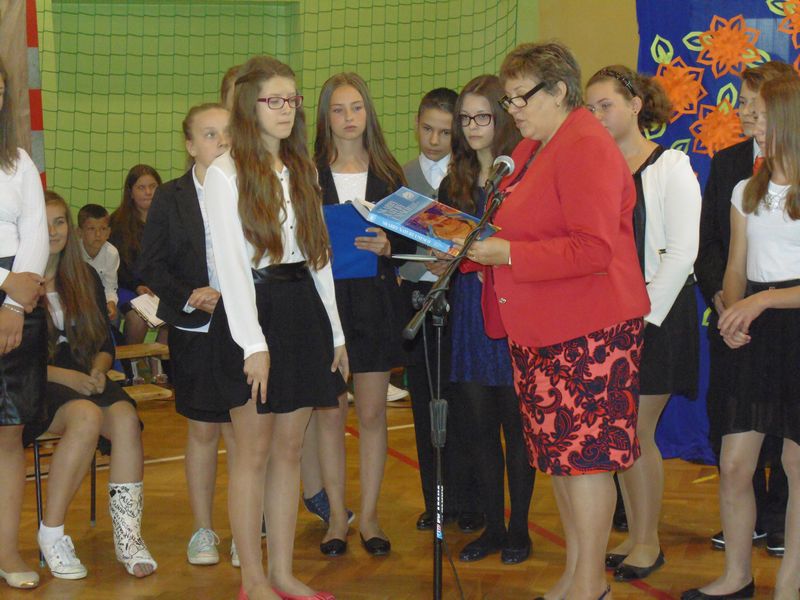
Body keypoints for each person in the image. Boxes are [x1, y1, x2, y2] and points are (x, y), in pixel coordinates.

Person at [462, 42, 649, 600]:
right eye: (509, 98)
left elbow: (593, 249)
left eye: (521, 97)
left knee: (587, 463)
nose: (512, 109)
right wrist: (461, 244)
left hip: (590, 330)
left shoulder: (586, 145)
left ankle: (591, 586)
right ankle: (575, 575)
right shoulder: (531, 149)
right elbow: (515, 226)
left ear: (560, 90)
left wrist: (508, 255)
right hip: (544, 329)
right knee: (561, 462)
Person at [204, 55, 345, 600]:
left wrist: (335, 332)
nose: (287, 109)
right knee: (254, 452)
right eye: (275, 100)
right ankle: (254, 580)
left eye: (293, 99)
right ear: (250, 106)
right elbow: (232, 268)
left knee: (290, 448)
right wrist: (253, 344)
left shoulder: (302, 167)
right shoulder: (225, 172)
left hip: (301, 308)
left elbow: (318, 255)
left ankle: (283, 573)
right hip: (252, 315)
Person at [682, 76, 800, 600]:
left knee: (796, 465)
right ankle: (737, 576)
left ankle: (789, 586)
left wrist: (761, 301)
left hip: (791, 326)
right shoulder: (743, 190)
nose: (753, 122)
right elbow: (735, 266)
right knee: (734, 463)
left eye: (763, 114)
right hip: (754, 331)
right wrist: (732, 312)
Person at [585, 65, 701, 582]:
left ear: (635, 106)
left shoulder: (670, 165)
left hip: (656, 317)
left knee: (634, 431)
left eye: (605, 105)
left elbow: (682, 252)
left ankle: (648, 542)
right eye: (590, 107)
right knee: (620, 433)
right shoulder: (596, 169)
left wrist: (643, 317)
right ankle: (635, 535)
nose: (596, 115)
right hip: (609, 318)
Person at [24, 190, 157, 580]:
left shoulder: (84, 277)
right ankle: (52, 533)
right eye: (44, 223)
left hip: (85, 375)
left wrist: (99, 369)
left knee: (126, 419)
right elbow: (16, 358)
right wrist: (68, 377)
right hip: (35, 381)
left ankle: (128, 537)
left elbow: (103, 343)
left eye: (60, 222)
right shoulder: (16, 284)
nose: (53, 231)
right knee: (85, 416)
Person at [436, 74, 535, 565]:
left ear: (503, 119)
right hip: (470, 316)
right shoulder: (452, 181)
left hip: (512, 310)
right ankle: (493, 527)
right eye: (465, 118)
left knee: (517, 429)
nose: (473, 126)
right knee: (478, 429)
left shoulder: (523, 176)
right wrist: (439, 257)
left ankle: (519, 529)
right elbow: (444, 246)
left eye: (483, 116)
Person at [312, 71, 412, 558]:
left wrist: (389, 245)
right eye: (338, 109)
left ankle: (369, 515)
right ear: (325, 118)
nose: (349, 118)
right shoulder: (308, 174)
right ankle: (337, 515)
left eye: (356, 108)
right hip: (324, 308)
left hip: (374, 303)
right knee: (331, 414)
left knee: (372, 414)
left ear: (368, 113)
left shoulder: (390, 174)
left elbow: (411, 241)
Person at [139, 103, 241, 566]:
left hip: (242, 327)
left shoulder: (248, 188)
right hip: (194, 328)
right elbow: (151, 264)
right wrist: (189, 296)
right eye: (209, 134)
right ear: (190, 145)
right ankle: (203, 530)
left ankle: (243, 528)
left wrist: (235, 295)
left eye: (226, 132)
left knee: (242, 434)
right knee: (202, 430)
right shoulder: (170, 197)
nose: (221, 141)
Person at [400, 87, 482, 532]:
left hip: (463, 300)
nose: (433, 140)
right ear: (416, 124)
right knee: (424, 405)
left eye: (445, 132)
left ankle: (472, 502)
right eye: (426, 129)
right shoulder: (400, 176)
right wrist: (415, 265)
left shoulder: (470, 176)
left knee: (466, 405)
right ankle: (437, 501)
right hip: (418, 298)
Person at [0, 57, 48, 591]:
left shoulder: (16, 162)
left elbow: (36, 233)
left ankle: (7, 548)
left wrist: (13, 304)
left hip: (18, 307)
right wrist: (4, 283)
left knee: (9, 434)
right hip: (9, 285)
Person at [109, 164, 162, 346]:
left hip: (159, 287)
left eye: (153, 186)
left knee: (178, 316)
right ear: (130, 192)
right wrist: (137, 286)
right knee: (138, 318)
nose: (148, 192)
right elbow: (116, 266)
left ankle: (161, 362)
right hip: (127, 287)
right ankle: (131, 361)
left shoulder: (169, 220)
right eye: (141, 187)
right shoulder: (116, 224)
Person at [77, 204, 120, 321]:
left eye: (103, 229)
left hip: (98, 300)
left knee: (113, 318)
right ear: (79, 232)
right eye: (91, 229)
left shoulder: (112, 253)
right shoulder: (72, 252)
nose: (98, 235)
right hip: (75, 300)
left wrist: (111, 303)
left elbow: (110, 287)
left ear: (109, 232)